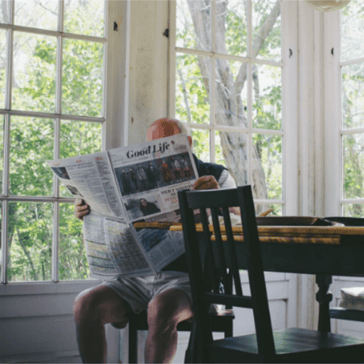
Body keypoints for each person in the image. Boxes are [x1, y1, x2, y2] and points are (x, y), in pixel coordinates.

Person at [73, 117, 236, 364]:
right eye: (153, 147)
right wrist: (87, 208)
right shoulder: (136, 180)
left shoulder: (215, 175)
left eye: (166, 145)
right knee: (85, 304)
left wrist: (215, 201)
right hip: (136, 277)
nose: (158, 155)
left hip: (190, 279)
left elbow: (240, 224)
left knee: (161, 307)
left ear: (188, 143)